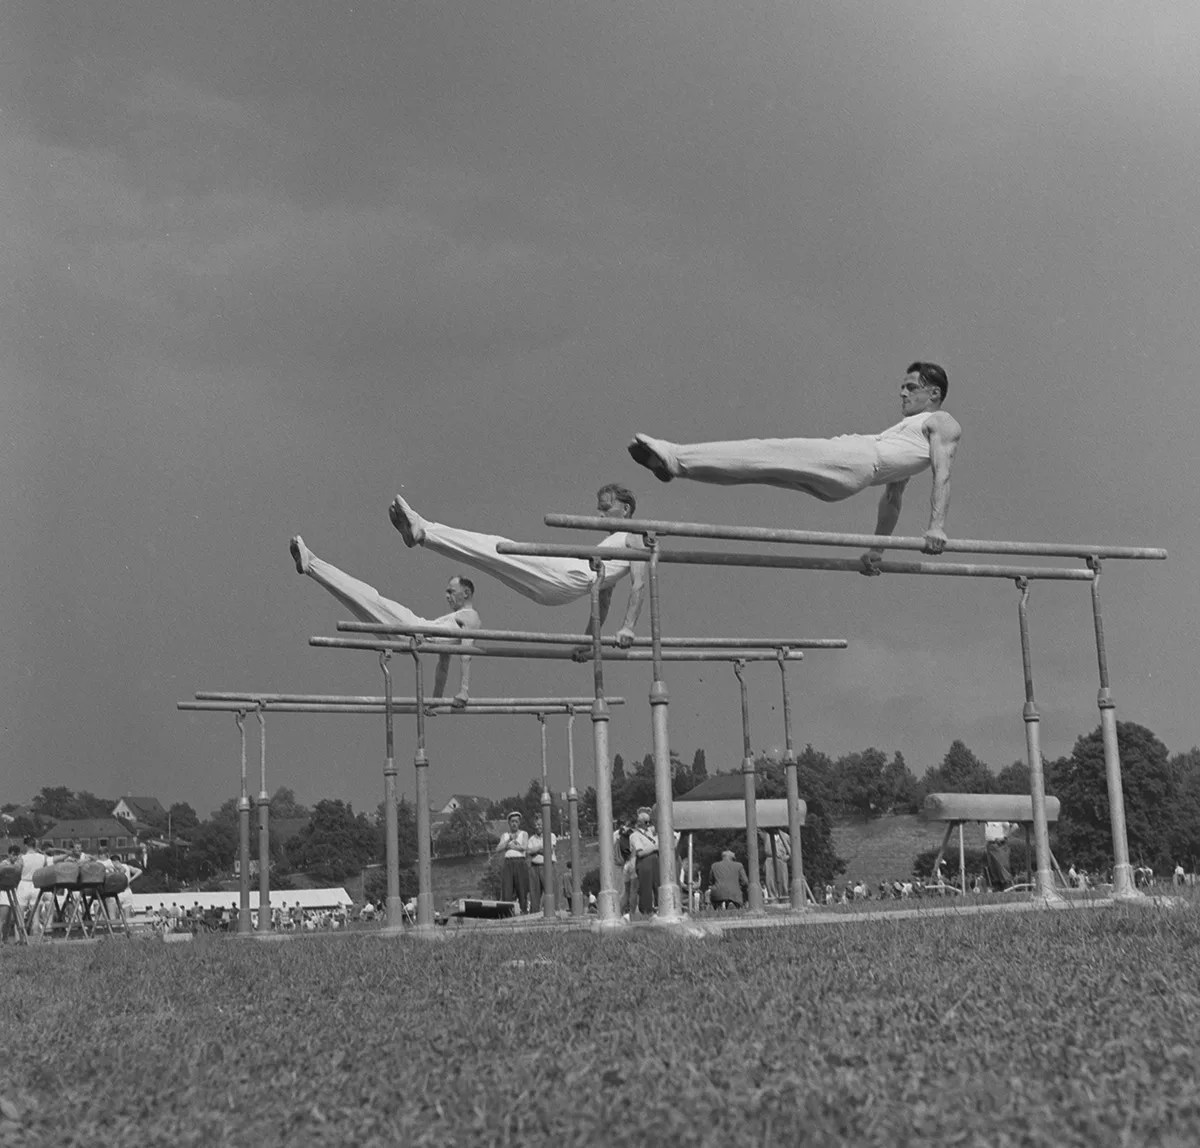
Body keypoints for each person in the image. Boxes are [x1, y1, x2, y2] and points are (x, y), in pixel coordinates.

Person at [628, 362, 962, 573]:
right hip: (849, 480)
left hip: (858, 459)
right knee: (756, 470)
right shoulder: (904, 436)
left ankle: (676, 456)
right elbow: (892, 500)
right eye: (902, 386)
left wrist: (936, 527)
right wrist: (877, 549)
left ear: (934, 392)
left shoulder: (941, 422)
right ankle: (677, 467)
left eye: (910, 387)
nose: (901, 392)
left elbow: (943, 474)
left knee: (768, 451)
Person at [389, 484, 647, 644]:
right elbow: (603, 600)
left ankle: (425, 530)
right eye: (598, 509)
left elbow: (639, 585)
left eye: (606, 508)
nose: (599, 515)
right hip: (557, 589)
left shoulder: (635, 535)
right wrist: (589, 641)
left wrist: (627, 628)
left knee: (496, 546)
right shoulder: (610, 544)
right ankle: (423, 537)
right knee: (490, 560)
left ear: (625, 509)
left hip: (566, 577)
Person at [291, 536, 481, 705]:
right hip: (410, 638)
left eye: (451, 592)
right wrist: (436, 700)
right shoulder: (452, 620)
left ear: (466, 593)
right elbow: (443, 665)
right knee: (357, 602)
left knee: (369, 597)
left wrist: (464, 691)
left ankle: (313, 564)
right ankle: (312, 568)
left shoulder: (470, 616)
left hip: (411, 629)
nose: (446, 596)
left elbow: (466, 654)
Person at [494, 812, 530, 912]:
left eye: (516, 821)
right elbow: (498, 848)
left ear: (519, 823)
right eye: (512, 821)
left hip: (520, 862)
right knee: (507, 888)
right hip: (508, 863)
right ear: (509, 823)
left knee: (522, 888)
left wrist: (513, 846)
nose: (514, 824)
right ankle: (506, 912)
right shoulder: (505, 835)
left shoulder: (524, 833)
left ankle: (523, 910)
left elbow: (524, 847)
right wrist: (508, 841)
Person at [628, 808, 659, 918]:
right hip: (644, 862)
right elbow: (640, 853)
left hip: (655, 860)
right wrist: (654, 848)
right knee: (646, 887)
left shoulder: (650, 831)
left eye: (649, 821)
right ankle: (646, 910)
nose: (648, 824)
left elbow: (658, 825)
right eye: (646, 822)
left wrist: (653, 814)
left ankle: (659, 907)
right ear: (640, 823)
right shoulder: (635, 836)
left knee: (658, 885)